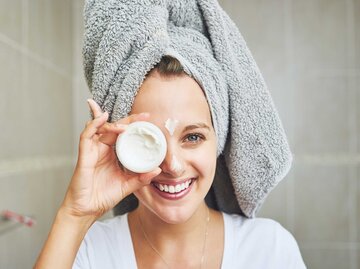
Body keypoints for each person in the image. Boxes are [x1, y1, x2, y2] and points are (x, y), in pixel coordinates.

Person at [34, 56, 306, 269]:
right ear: (120, 147)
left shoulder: (269, 248)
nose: (173, 165)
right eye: (150, 139)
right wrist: (74, 215)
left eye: (193, 137)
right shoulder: (86, 250)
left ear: (218, 143)